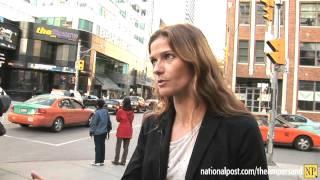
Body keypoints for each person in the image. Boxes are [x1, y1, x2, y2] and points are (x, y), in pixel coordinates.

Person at [122, 24, 268, 180]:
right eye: (153, 60)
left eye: (168, 56)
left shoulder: (241, 128)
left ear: (196, 61)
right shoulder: (152, 125)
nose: (157, 69)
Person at [112, 97, 134, 166]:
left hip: (121, 129)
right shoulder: (132, 111)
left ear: (124, 102)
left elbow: (118, 119)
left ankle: (116, 161)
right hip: (129, 130)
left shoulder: (120, 111)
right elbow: (131, 120)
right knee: (126, 147)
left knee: (118, 146)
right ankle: (123, 161)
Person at [89, 99, 112, 166]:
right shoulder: (106, 111)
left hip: (98, 132)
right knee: (102, 146)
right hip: (104, 131)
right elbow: (108, 121)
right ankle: (102, 160)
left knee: (98, 147)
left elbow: (93, 123)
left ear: (97, 105)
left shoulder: (97, 113)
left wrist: (91, 131)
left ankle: (97, 161)